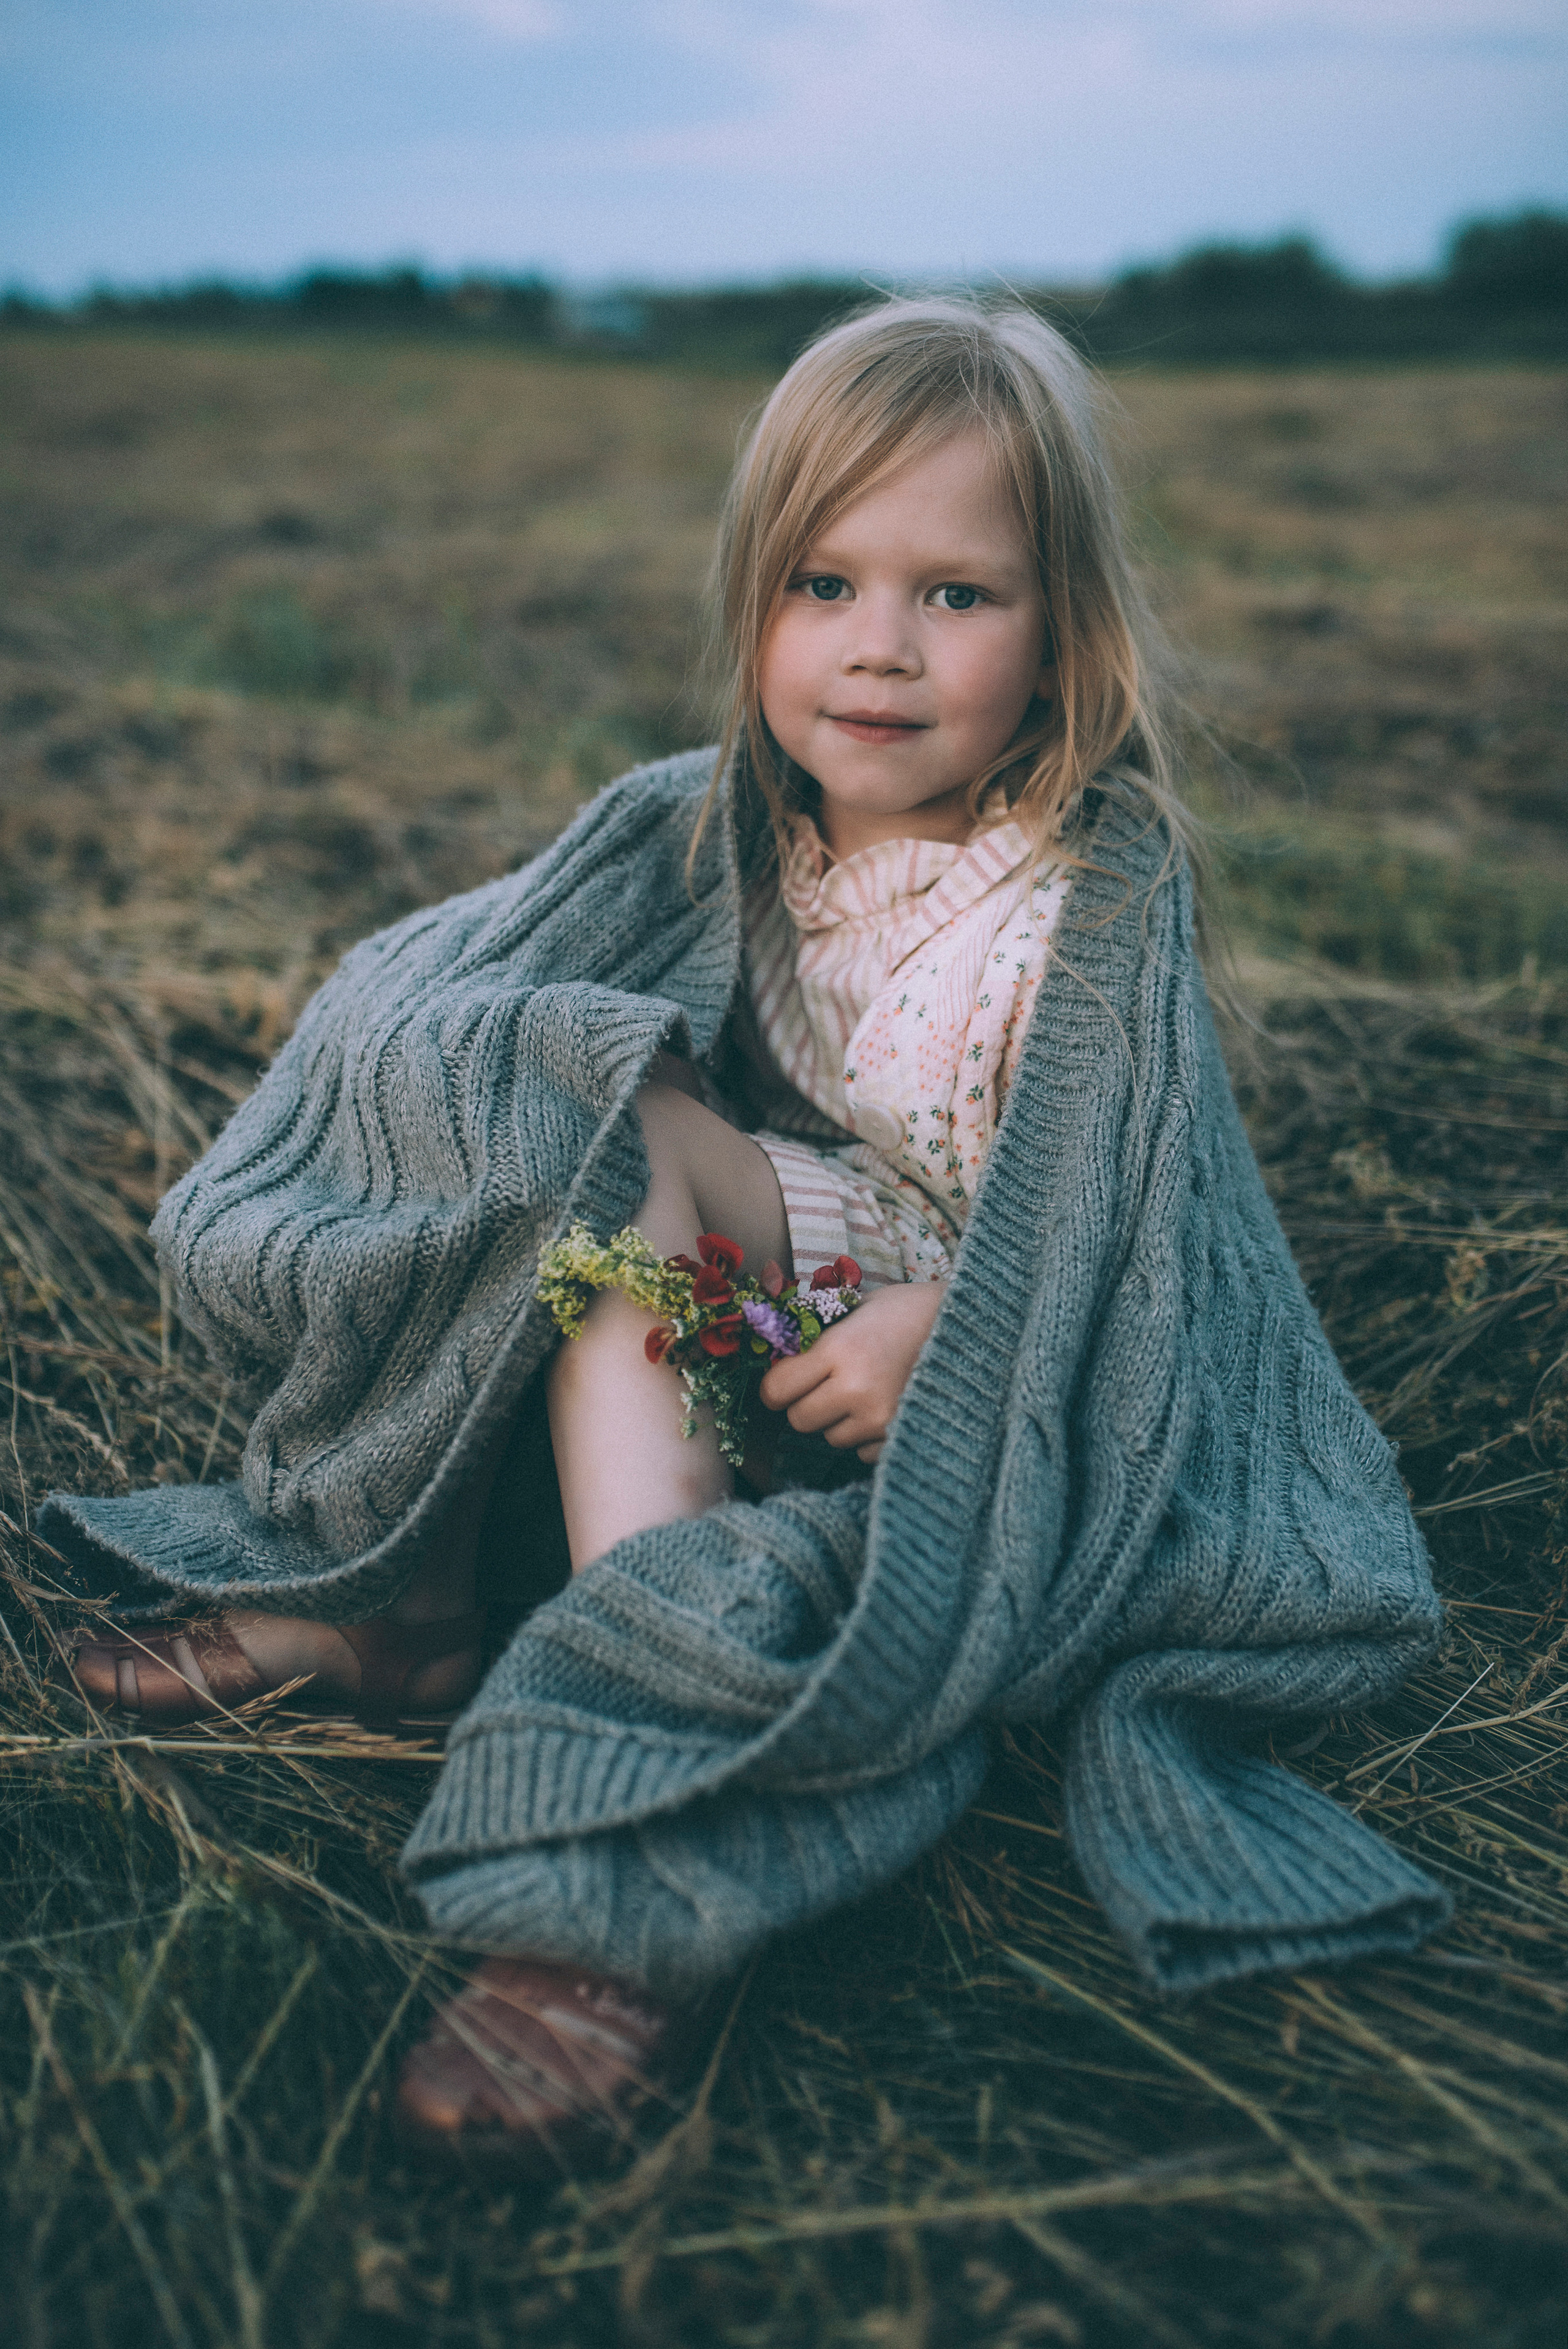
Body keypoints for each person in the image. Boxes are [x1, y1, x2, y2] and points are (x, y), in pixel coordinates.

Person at [58, 298, 1449, 2171]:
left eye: (957, 595)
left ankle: (652, 1710)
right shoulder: (722, 829)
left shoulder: (1079, 910)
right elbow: (460, 991)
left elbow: (1136, 1238)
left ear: (1060, 643)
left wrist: (955, 1320)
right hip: (773, 1291)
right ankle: (414, 1604)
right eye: (825, 583)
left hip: (972, 1366)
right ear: (756, 609)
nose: (879, 648)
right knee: (580, 1105)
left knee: (628, 1136)